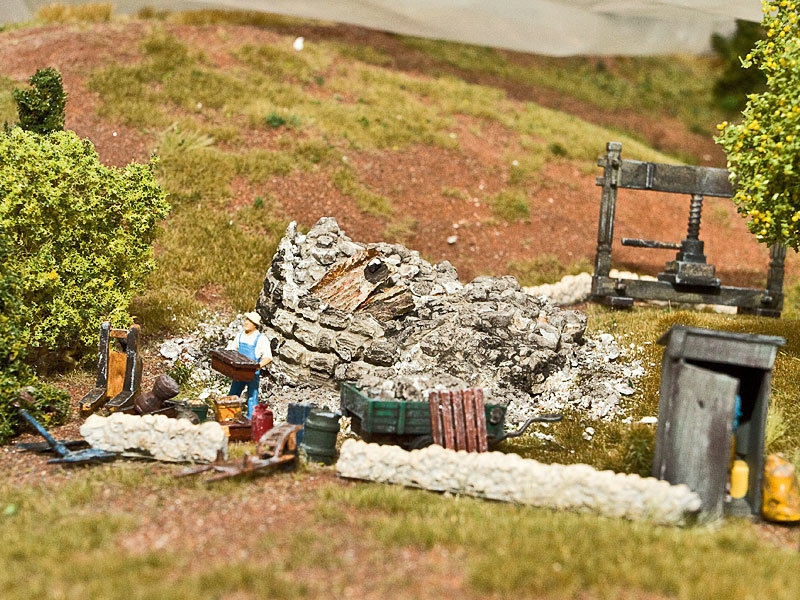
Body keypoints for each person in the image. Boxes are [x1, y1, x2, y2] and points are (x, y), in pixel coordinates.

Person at [226, 311, 272, 419]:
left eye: (249, 321)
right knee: (233, 395)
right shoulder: (240, 336)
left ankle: (252, 422)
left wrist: (256, 367)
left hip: (252, 374)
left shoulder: (261, 339)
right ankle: (229, 418)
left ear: (255, 325)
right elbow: (231, 349)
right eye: (246, 320)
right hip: (239, 372)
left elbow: (268, 357)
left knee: (252, 398)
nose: (246, 323)